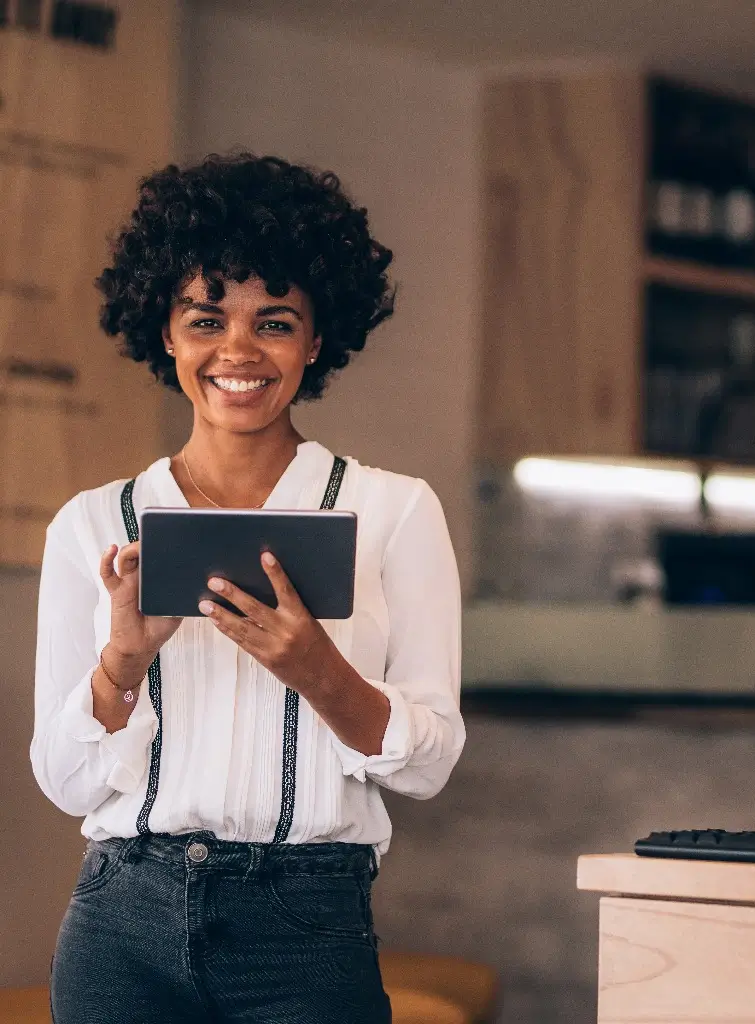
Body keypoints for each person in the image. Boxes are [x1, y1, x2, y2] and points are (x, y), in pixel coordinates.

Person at [31, 153, 465, 1024]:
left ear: (315, 339)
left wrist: (320, 673)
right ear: (165, 331)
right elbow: (66, 780)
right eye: (204, 319)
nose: (237, 351)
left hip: (306, 927)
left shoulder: (394, 512)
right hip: (122, 922)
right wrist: (121, 661)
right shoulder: (91, 522)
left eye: (274, 322)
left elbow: (431, 763)